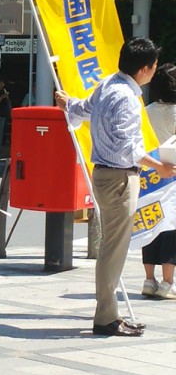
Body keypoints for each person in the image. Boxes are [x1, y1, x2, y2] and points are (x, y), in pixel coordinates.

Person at [55, 37, 176, 337]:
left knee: (114, 247)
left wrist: (67, 103)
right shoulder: (126, 98)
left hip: (107, 175)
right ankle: (106, 318)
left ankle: (110, 314)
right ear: (145, 69)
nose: (154, 72)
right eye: (154, 67)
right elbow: (128, 147)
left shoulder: (109, 84)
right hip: (119, 177)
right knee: (114, 249)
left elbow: (81, 110)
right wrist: (158, 165)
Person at [141, 62, 176, 299]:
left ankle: (148, 280)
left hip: (151, 173)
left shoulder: (147, 110)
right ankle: (167, 283)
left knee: (151, 223)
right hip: (173, 173)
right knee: (171, 227)